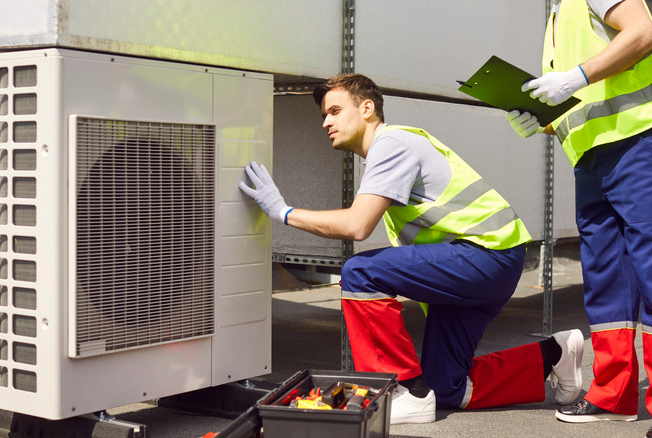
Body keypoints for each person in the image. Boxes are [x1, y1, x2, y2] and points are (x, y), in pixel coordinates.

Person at [240, 73, 585, 425]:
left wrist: (283, 212)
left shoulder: (392, 144)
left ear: (367, 108)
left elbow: (357, 226)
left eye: (335, 110)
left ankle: (406, 391)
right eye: (325, 115)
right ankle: (555, 353)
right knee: (448, 389)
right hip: (484, 264)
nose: (326, 121)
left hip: (484, 256)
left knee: (360, 272)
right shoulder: (391, 148)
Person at [506, 1, 652, 437]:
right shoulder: (556, 17)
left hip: (639, 141)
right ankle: (613, 395)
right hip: (591, 157)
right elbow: (577, 100)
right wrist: (538, 118)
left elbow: (642, 34)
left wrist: (576, 76)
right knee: (606, 277)